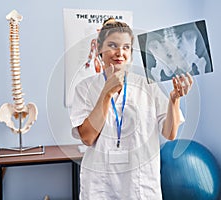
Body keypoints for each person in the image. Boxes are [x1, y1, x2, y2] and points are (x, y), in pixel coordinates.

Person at [70, 18, 193, 200]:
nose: (120, 52)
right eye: (112, 45)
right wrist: (106, 93)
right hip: (100, 186)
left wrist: (174, 100)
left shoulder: (148, 86)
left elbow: (170, 133)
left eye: (126, 47)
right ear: (99, 49)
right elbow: (87, 138)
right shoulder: (84, 88)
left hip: (140, 185)